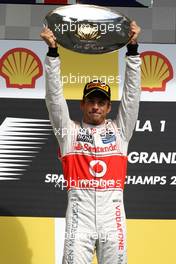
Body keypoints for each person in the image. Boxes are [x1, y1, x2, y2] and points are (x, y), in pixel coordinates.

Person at [41, 21, 141, 264]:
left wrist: (133, 51)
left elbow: (131, 96)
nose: (96, 106)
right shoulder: (69, 132)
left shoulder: (120, 131)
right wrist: (53, 54)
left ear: (108, 107)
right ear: (82, 105)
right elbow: (54, 99)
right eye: (91, 101)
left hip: (113, 218)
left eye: (101, 102)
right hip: (80, 219)